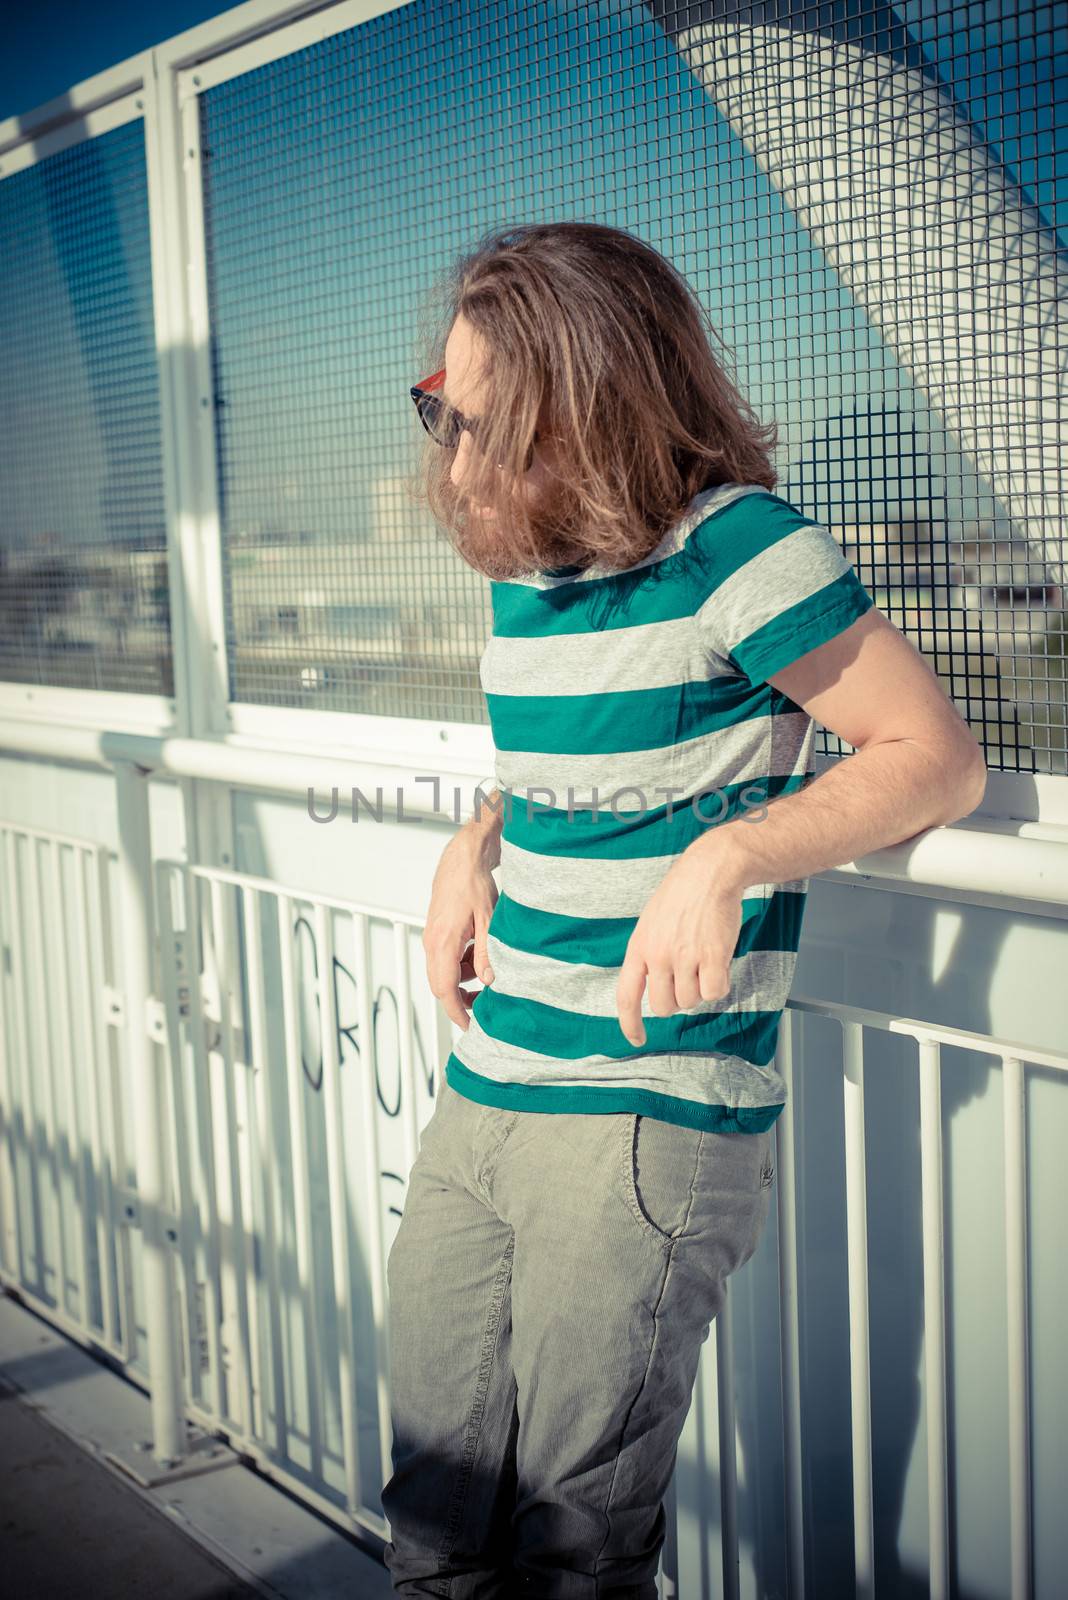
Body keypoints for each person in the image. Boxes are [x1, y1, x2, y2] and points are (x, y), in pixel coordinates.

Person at [383, 222, 987, 1598]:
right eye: (442, 408)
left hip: (643, 1118)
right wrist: (471, 843)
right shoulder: (527, 571)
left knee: (573, 1560)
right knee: (430, 1530)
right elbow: (567, 774)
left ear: (588, 405)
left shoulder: (738, 549)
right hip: (486, 1091)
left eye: (486, 419)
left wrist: (726, 860)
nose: (454, 453)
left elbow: (930, 756)